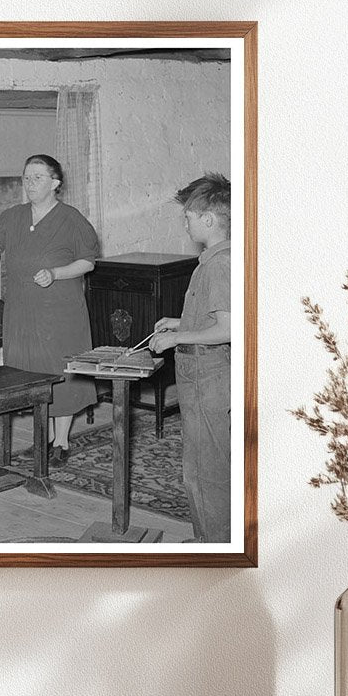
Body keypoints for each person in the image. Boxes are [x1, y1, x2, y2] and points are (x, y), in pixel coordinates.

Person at [0, 154, 99, 464]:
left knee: (60, 371)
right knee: (30, 372)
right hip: (22, 311)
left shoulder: (71, 219)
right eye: (26, 178)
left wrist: (56, 273)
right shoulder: (13, 216)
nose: (29, 183)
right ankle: (44, 438)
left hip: (60, 312)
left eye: (37, 178)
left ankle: (61, 442)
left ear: (55, 183)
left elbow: (87, 262)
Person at [149, 172, 231, 543]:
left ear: (209, 220)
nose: (185, 222)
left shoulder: (218, 265)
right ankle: (211, 537)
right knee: (203, 462)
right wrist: (179, 322)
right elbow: (215, 319)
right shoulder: (214, 260)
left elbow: (228, 329)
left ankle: (214, 544)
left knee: (205, 468)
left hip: (208, 378)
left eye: (189, 216)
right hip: (202, 376)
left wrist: (176, 338)